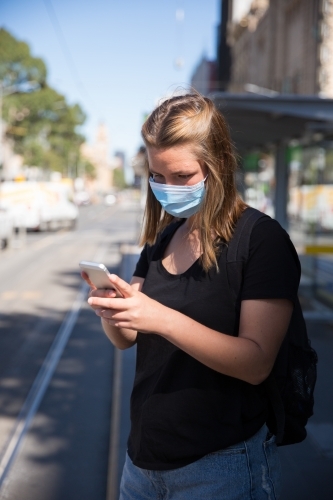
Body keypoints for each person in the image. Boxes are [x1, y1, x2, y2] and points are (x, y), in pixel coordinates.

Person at [82, 93, 300, 499]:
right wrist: (113, 311)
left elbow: (256, 363)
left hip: (221, 464)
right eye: (157, 177)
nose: (167, 189)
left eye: (182, 176)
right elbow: (128, 340)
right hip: (143, 462)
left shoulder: (261, 241)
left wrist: (160, 318)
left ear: (216, 167)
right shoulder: (165, 236)